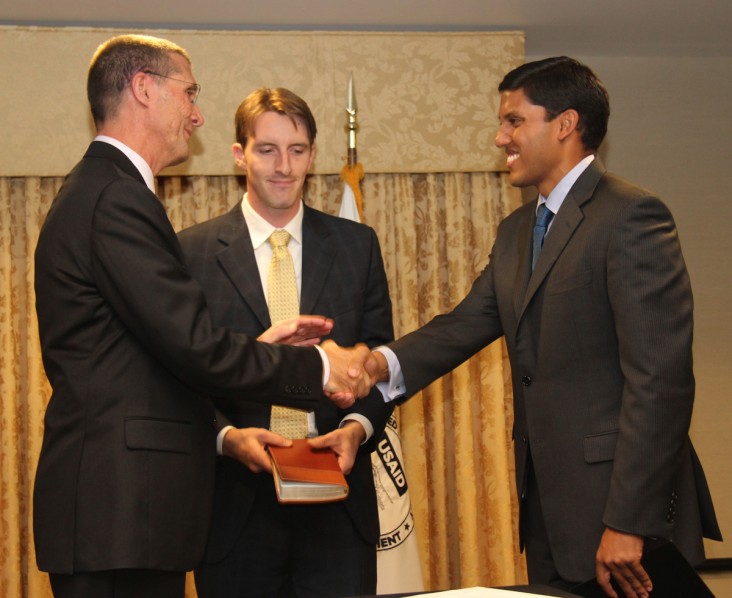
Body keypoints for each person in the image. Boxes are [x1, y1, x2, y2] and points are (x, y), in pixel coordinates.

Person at [342, 56, 722, 597]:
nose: (501, 137)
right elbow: (468, 322)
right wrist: (380, 363)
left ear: (565, 124)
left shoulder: (632, 216)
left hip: (624, 519)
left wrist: (628, 521)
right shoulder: (519, 229)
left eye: (514, 120)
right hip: (551, 515)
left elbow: (659, 383)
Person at [33, 35, 369, 598]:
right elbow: (195, 346)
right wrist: (317, 368)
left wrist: (256, 345)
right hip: (121, 511)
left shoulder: (107, 190)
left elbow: (152, 353)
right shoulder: (115, 197)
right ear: (144, 88)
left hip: (125, 515)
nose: (197, 113)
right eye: (188, 92)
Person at [177, 86, 394, 597]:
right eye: (267, 149)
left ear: (313, 156)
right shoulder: (190, 253)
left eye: (297, 150)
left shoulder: (356, 246)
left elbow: (382, 364)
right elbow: (181, 379)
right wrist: (228, 438)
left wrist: (358, 430)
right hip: (234, 514)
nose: (283, 166)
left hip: (339, 513)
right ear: (239, 155)